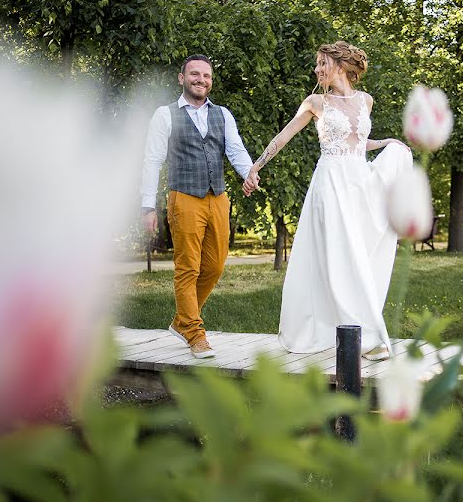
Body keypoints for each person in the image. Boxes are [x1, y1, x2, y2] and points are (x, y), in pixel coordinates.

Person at [242, 41, 412, 360]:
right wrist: (256, 166)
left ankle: (359, 330)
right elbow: (283, 136)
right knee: (341, 256)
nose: (317, 69)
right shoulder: (315, 102)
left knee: (358, 253)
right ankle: (365, 336)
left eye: (322, 63)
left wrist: (388, 142)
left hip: (359, 183)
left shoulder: (366, 101)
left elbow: (358, 142)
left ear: (339, 64)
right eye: (317, 64)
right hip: (331, 184)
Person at [141, 54, 254, 358]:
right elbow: (152, 161)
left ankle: (181, 320)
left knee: (215, 265)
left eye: (206, 75)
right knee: (187, 267)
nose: (200, 80)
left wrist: (249, 174)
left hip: (217, 196)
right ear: (182, 78)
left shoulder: (223, 114)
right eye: (194, 74)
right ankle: (194, 331)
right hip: (184, 197)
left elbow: (236, 150)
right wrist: (147, 206)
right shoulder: (164, 115)